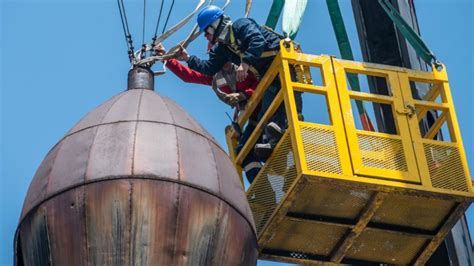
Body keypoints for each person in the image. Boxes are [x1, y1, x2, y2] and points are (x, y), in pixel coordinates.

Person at [176, 5, 303, 160]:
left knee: (289, 103)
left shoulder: (241, 25)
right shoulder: (223, 48)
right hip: (269, 76)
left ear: (215, 25)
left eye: (206, 31)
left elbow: (257, 40)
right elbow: (209, 68)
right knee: (267, 112)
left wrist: (245, 62)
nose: (206, 36)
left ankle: (291, 130)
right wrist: (188, 59)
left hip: (283, 65)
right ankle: (275, 144)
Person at [154, 44, 263, 184]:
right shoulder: (216, 76)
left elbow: (261, 82)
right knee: (244, 151)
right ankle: (263, 191)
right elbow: (189, 76)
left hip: (266, 110)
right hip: (253, 119)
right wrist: (167, 58)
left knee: (266, 145)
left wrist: (243, 95)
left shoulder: (244, 65)